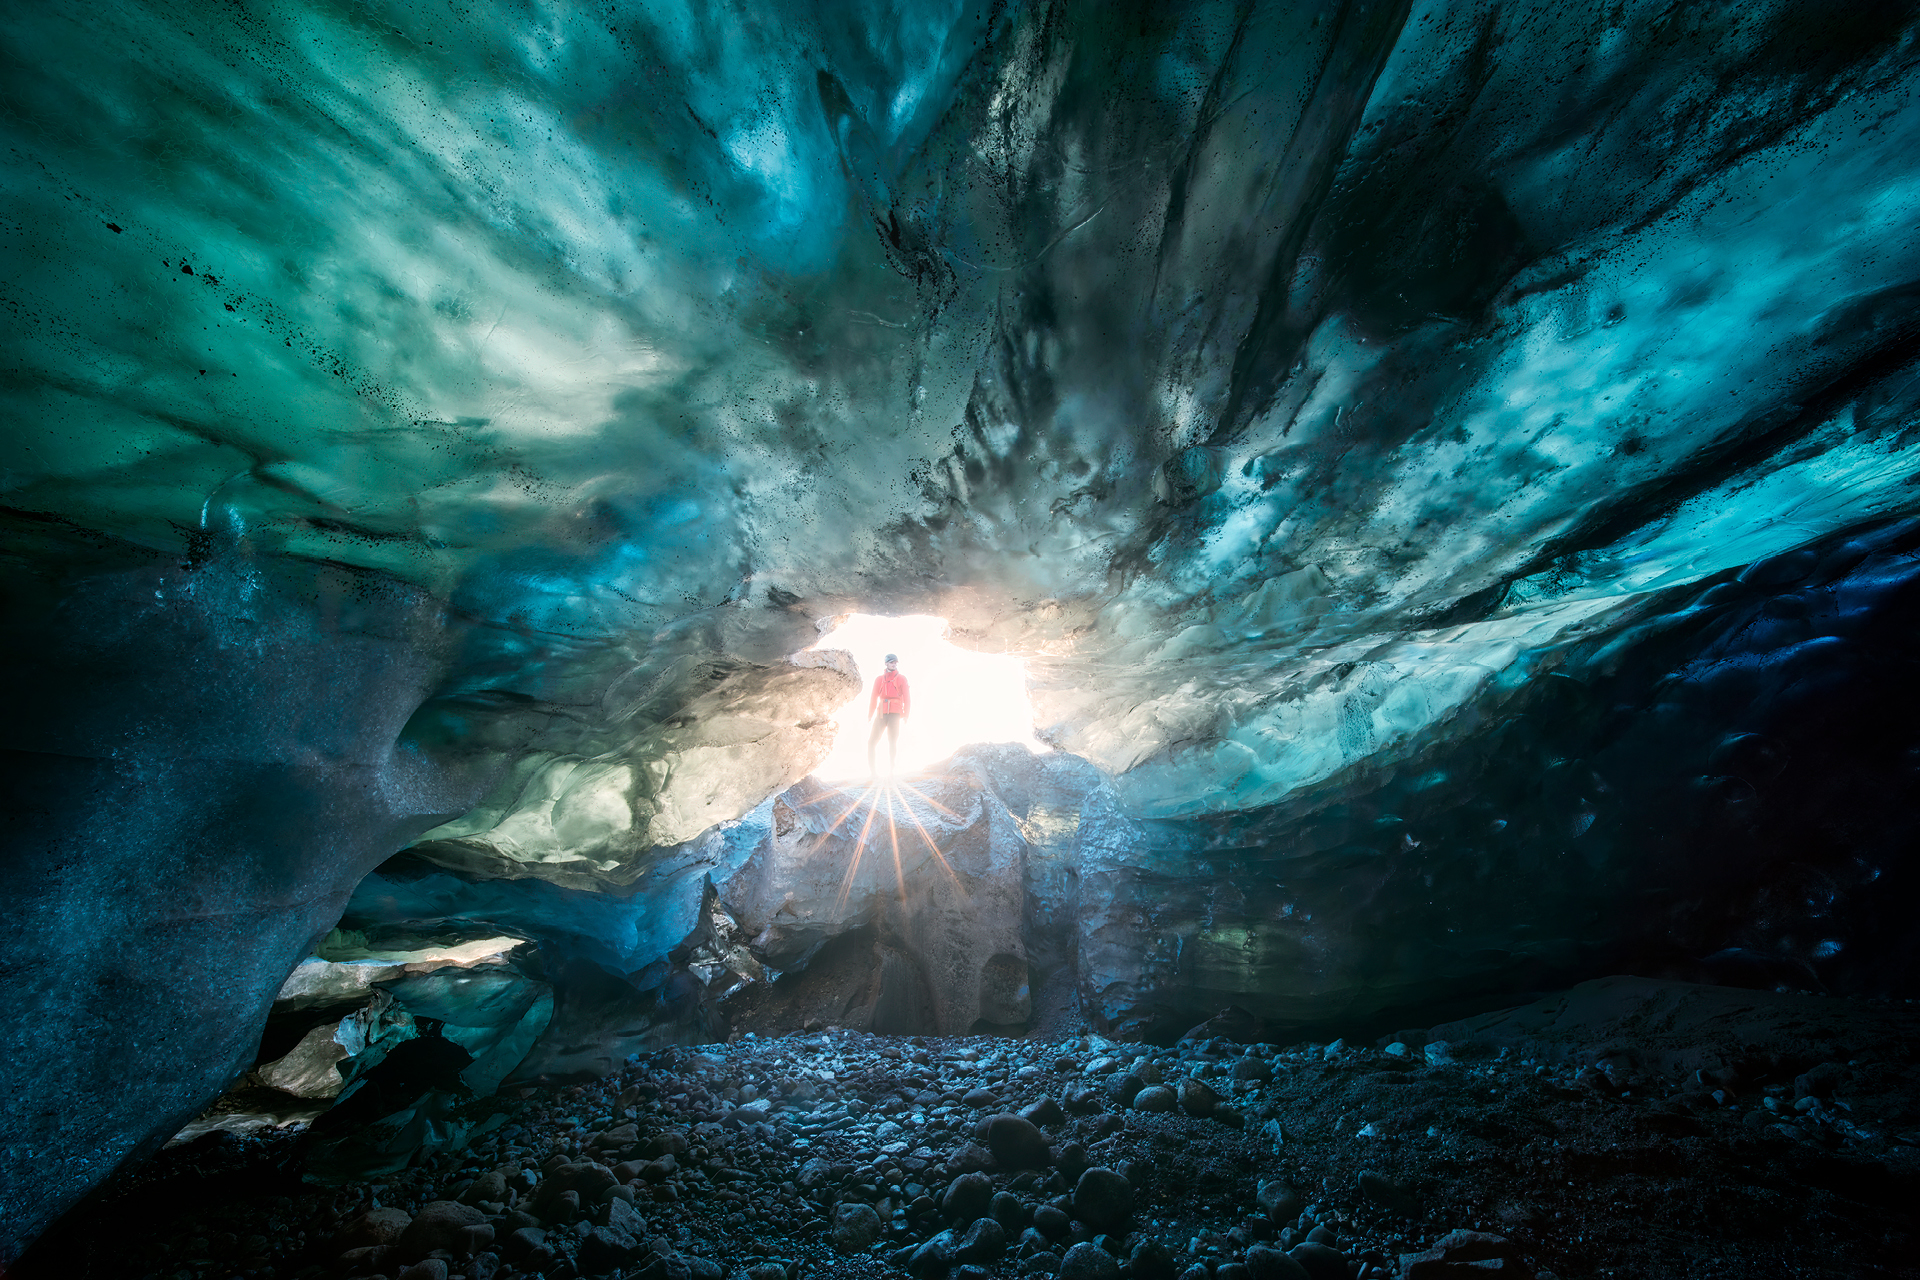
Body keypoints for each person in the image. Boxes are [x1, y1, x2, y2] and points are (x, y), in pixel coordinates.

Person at [867, 652, 911, 777]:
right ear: (886, 663)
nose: (894, 664)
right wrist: (870, 714)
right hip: (881, 713)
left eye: (895, 662)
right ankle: (873, 772)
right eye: (891, 662)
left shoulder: (902, 678)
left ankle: (891, 771)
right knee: (871, 742)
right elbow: (873, 697)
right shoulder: (879, 679)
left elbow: (907, 698)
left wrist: (906, 714)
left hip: (895, 714)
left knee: (892, 742)